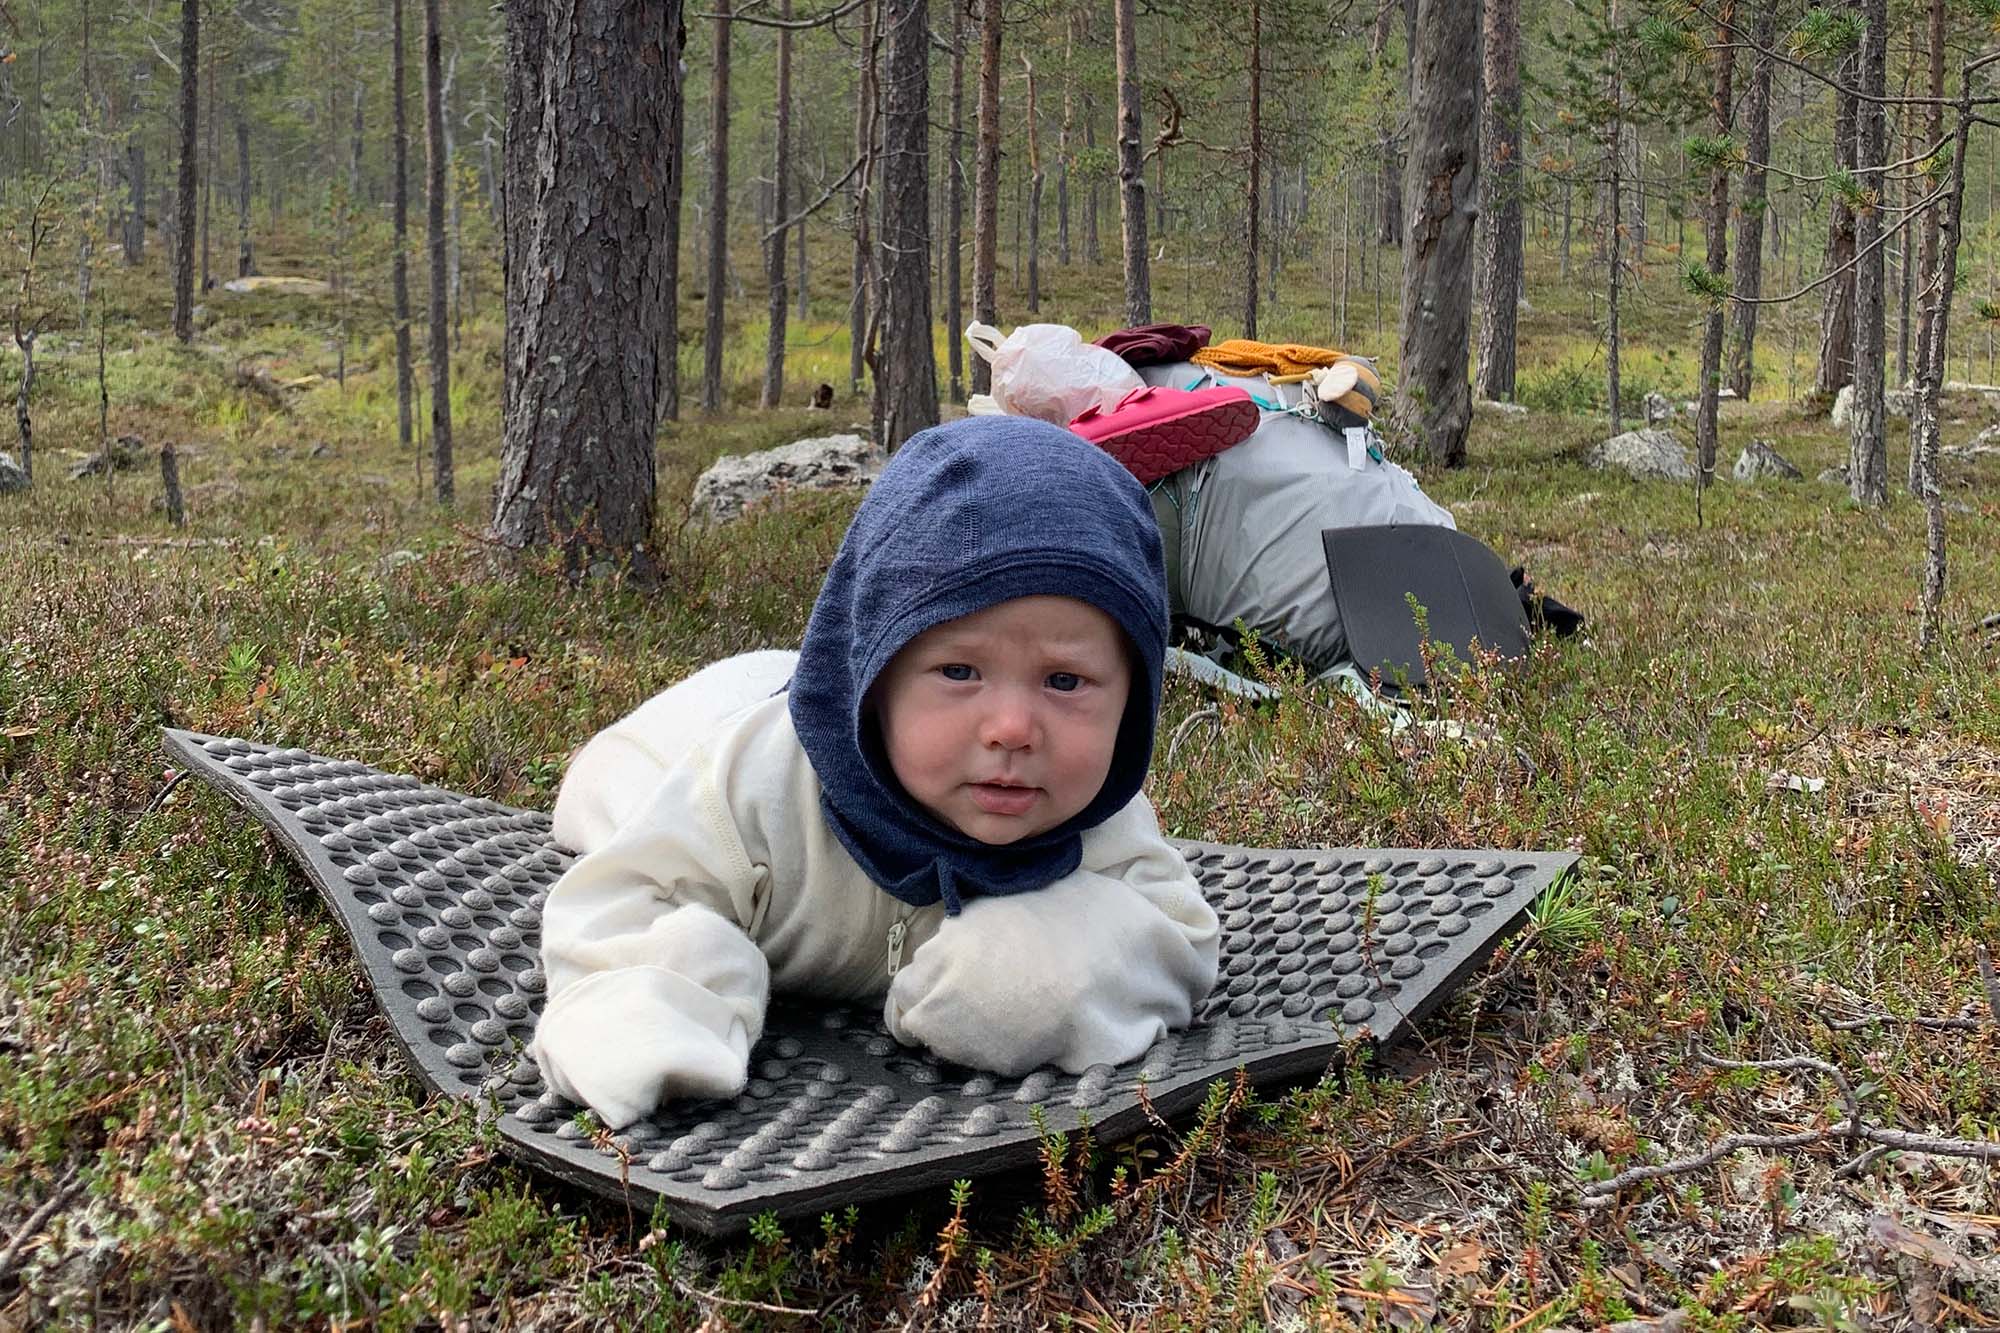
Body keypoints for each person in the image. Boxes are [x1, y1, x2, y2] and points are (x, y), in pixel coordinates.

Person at [529, 416, 1221, 1129]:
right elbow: (625, 899)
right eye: (959, 670)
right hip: (700, 722)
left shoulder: (1097, 814)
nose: (1013, 728)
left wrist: (1021, 978)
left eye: (1066, 681)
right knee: (603, 798)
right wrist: (654, 1006)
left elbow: (1175, 936)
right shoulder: (753, 784)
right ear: (877, 669)